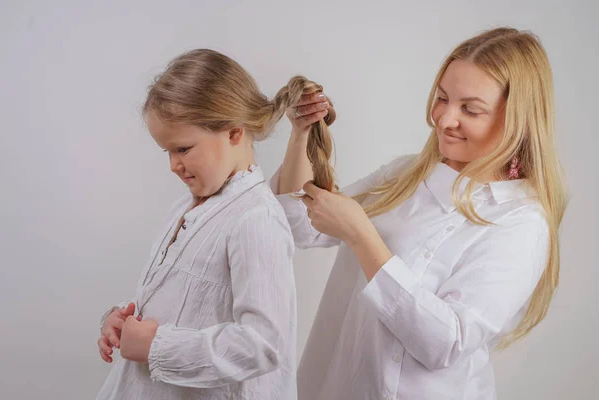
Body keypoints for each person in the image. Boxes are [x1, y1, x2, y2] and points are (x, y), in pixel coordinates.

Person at [273, 27, 567, 399]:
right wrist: (301, 135)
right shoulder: (405, 173)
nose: (444, 120)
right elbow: (302, 227)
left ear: (518, 120)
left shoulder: (521, 222)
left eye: (470, 109)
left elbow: (445, 343)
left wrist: (362, 236)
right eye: (443, 98)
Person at [95, 49, 325, 400]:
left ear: (234, 132)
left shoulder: (255, 220)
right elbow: (188, 302)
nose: (174, 165)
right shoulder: (184, 209)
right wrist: (124, 319)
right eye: (167, 152)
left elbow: (263, 344)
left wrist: (158, 346)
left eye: (184, 149)